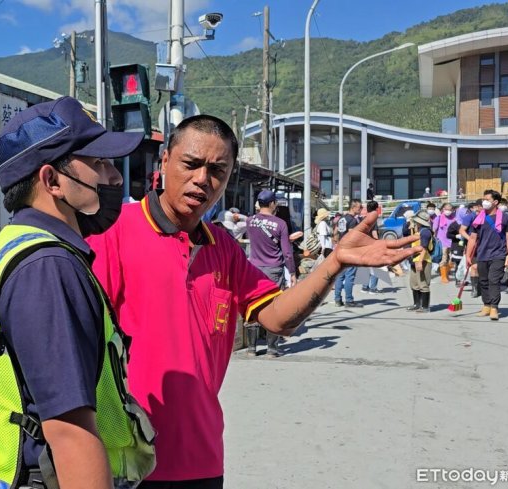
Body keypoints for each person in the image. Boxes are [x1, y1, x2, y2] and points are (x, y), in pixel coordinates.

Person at [87, 115, 419, 488]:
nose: (202, 179)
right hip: (128, 460)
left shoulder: (223, 246)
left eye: (217, 170)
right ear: (165, 162)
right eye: (191, 164)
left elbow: (277, 319)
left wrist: (335, 262)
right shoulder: (115, 232)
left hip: (203, 459)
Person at [0, 97, 155, 489]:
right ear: (52, 181)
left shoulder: (11, 245)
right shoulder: (48, 268)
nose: (115, 178)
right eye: (99, 164)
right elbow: (70, 431)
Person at [246, 189, 296, 358]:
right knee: (273, 308)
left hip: (253, 269)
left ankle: (251, 349)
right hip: (274, 270)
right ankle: (272, 349)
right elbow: (287, 252)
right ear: (273, 203)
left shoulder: (250, 221)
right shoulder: (280, 224)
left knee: (253, 305)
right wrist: (293, 273)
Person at [465, 190, 508, 321]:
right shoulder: (479, 218)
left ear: (495, 202)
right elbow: (472, 238)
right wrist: (468, 255)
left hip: (498, 254)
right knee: (483, 281)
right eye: (483, 199)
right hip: (482, 254)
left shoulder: (505, 218)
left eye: (487, 199)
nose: (484, 202)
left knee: (494, 280)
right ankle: (486, 305)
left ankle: (494, 307)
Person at [332, 199, 364, 307]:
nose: (361, 209)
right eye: (360, 207)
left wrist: (337, 242)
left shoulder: (342, 218)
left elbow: (335, 232)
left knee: (340, 275)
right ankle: (349, 300)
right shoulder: (353, 221)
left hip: (340, 249)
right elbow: (352, 237)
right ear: (353, 207)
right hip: (349, 251)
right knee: (350, 276)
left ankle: (337, 299)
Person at [406, 211, 435, 313]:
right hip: (415, 260)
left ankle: (425, 306)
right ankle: (416, 304)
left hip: (423, 260)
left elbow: (424, 248)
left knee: (423, 284)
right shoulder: (419, 230)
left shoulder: (425, 232)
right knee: (414, 283)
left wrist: (420, 261)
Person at [460, 201, 482, 296]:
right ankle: (475, 288)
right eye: (481, 206)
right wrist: (471, 240)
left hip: (486, 245)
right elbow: (462, 230)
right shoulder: (470, 217)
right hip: (473, 246)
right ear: (477, 207)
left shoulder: (488, 217)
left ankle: (482, 286)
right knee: (474, 267)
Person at [433, 202, 457, 283]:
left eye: (450, 209)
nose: (448, 211)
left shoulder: (455, 218)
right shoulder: (438, 218)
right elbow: (434, 230)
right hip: (442, 241)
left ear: (453, 210)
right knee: (444, 259)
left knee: (452, 259)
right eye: (446, 209)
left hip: (453, 241)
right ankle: (444, 276)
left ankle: (446, 272)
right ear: (443, 209)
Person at [361, 201, 382, 294]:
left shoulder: (364, 219)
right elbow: (374, 233)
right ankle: (373, 288)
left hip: (363, 246)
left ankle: (365, 287)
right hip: (372, 246)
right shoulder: (373, 220)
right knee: (376, 267)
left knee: (366, 266)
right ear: (377, 209)